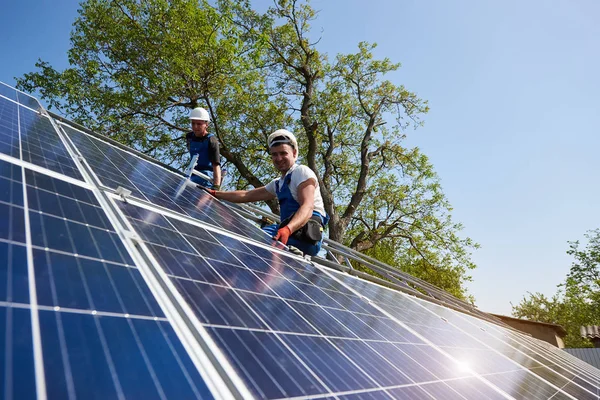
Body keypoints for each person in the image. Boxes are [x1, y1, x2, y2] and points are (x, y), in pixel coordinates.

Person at [205, 129, 328, 256]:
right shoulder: (278, 183)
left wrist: (287, 229)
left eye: (283, 153)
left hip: (306, 236)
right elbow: (247, 195)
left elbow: (307, 207)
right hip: (288, 234)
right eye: (274, 154)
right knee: (250, 243)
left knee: (255, 239)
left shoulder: (301, 172)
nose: (278, 158)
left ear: (294, 153)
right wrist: (215, 193)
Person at [186, 107, 221, 189]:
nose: (195, 127)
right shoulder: (189, 137)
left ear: (206, 124)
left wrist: (216, 186)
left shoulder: (212, 140)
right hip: (191, 176)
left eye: (199, 124)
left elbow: (216, 165)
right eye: (193, 123)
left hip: (205, 179)